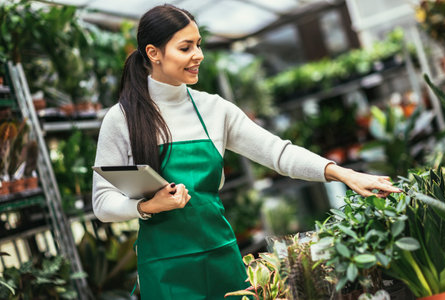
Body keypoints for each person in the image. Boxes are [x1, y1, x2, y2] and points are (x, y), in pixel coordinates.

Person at [92, 4, 401, 299]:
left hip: (222, 258)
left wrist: (344, 174)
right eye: (185, 48)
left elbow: (278, 153)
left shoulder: (213, 108)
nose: (198, 55)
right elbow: (102, 203)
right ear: (153, 53)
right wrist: (148, 207)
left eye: (199, 45)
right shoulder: (121, 120)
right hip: (165, 271)